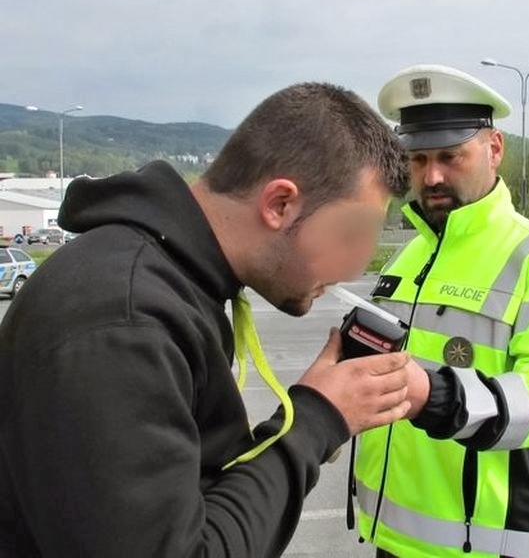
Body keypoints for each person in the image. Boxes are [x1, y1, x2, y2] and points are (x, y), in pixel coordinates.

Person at [0, 82, 429, 557]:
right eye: (351, 233)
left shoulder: (171, 282)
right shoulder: (123, 322)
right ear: (280, 204)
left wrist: (311, 416)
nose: (355, 267)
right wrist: (317, 421)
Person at [351, 64, 529, 558]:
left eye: (450, 156)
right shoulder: (408, 255)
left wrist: (441, 398)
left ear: (494, 148)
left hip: (488, 543)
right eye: (418, 160)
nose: (432, 176)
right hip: (395, 537)